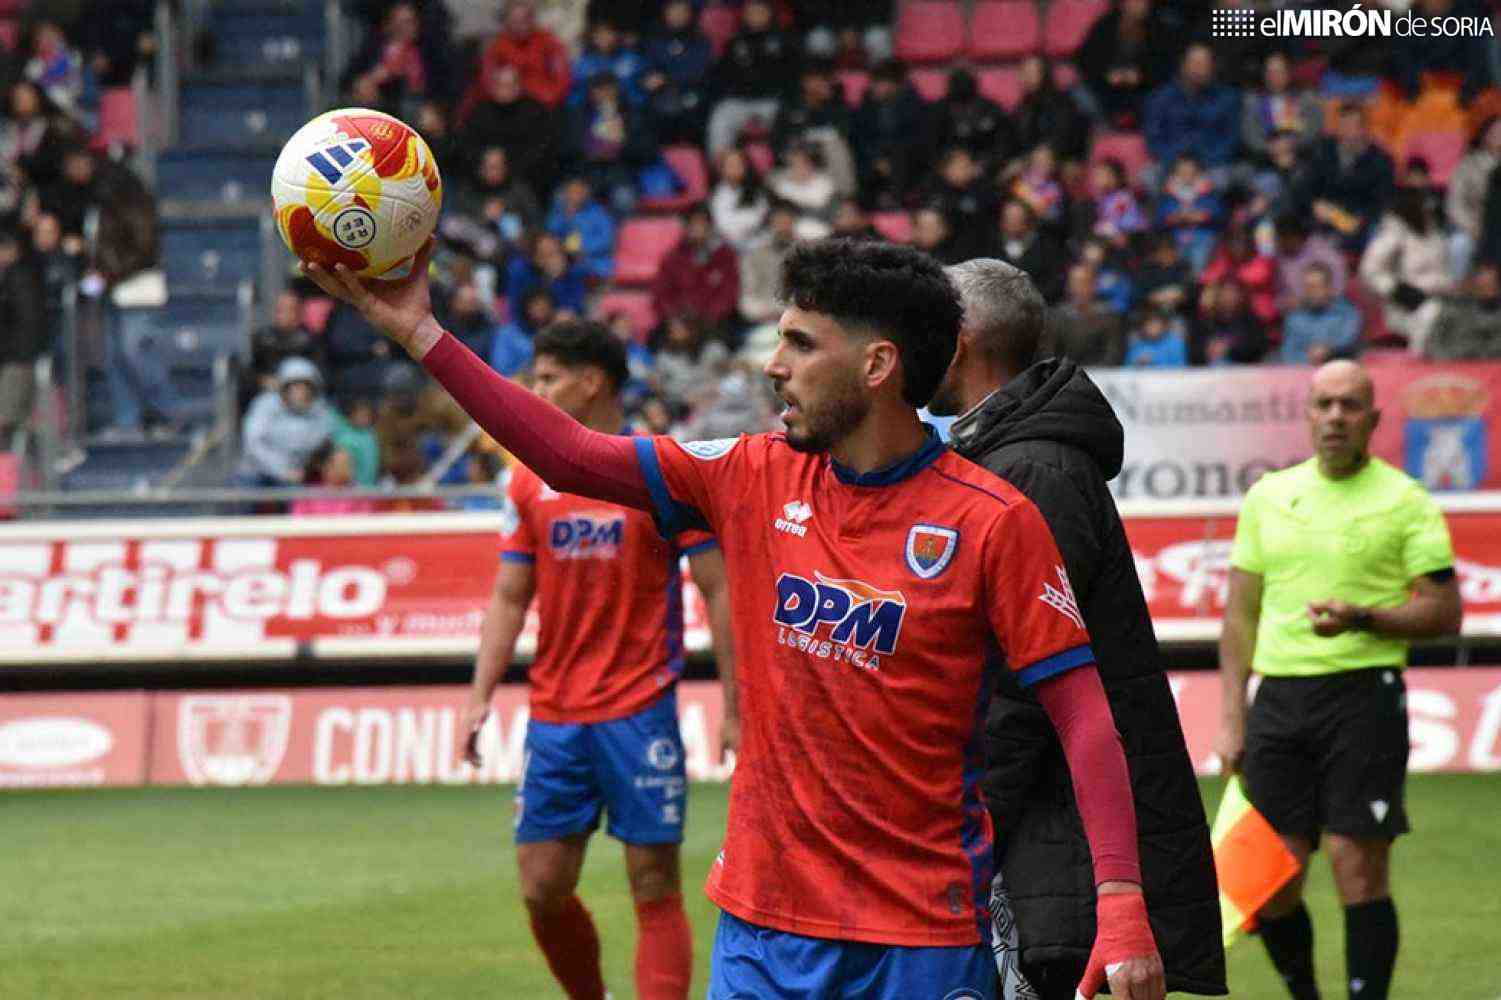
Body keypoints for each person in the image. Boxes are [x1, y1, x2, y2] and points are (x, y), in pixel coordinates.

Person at [303, 236, 1165, 1000]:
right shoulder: (749, 475)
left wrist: (1122, 902)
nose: (772, 365)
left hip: (919, 940)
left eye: (798, 342)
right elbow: (566, 454)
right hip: (760, 932)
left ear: (875, 366)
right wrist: (421, 331)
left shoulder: (992, 521)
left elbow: (1083, 717)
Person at [928, 258, 1224, 1000]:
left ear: (959, 341)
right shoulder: (1017, 459)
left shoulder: (1033, 471)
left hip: (1054, 851)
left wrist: (963, 819)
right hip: (1051, 843)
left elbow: (1026, 683)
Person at [461, 320, 734, 1000]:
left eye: (548, 378)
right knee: (541, 888)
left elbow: (718, 586)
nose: (535, 391)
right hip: (554, 715)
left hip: (639, 711)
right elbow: (507, 594)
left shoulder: (661, 471)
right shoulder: (527, 483)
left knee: (652, 885)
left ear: (592, 383)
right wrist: (477, 695)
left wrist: (737, 703)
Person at [1218, 359, 1463, 1000]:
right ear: (1306, 415)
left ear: (1373, 419)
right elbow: (1239, 616)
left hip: (1364, 695)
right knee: (1267, 882)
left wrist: (1365, 618)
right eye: (1323, 404)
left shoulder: (1405, 500)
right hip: (1278, 701)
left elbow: (1444, 612)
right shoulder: (1269, 497)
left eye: (1349, 406)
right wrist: (1231, 716)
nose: (1335, 418)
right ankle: (1305, 992)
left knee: (1360, 870)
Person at [237, 357, 336, 489]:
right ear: (284, 387)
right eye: (294, 385)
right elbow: (253, 443)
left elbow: (322, 446)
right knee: (243, 486)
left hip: (295, 475)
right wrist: (281, 471)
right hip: (256, 471)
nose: (300, 391)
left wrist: (305, 469)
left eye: (305, 385)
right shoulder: (265, 404)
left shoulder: (322, 412)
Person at [1281, 265, 1362, 366]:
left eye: (1316, 287)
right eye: (1308, 287)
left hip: (1341, 369)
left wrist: (1328, 349)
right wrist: (1308, 361)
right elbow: (1290, 353)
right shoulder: (1294, 318)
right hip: (1304, 372)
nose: (1312, 292)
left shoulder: (1347, 313)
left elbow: (1350, 341)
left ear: (1329, 288)